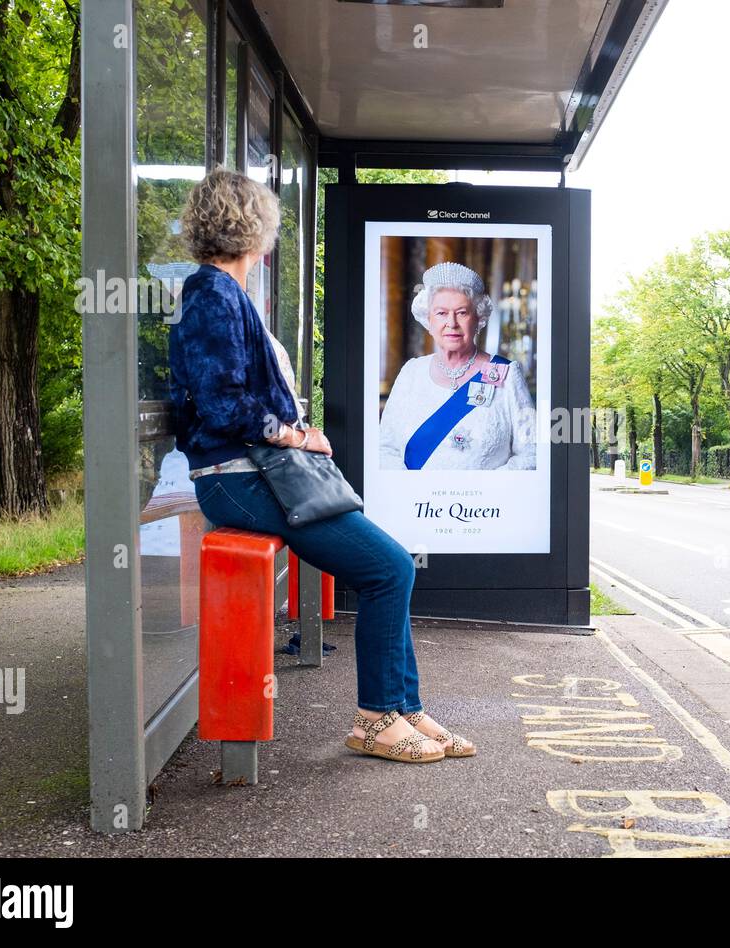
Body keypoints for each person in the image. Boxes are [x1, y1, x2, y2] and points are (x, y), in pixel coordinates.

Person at [168, 169, 474, 763]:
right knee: (388, 568)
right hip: (239, 479)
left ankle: (403, 708)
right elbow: (222, 402)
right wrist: (298, 435)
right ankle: (377, 718)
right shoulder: (211, 294)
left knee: (390, 567)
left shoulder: (222, 293)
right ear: (255, 230)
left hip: (253, 475)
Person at [378, 261, 536, 471]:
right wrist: (411, 491)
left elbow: (533, 452)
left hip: (486, 503)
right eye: (441, 313)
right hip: (419, 503)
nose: (451, 323)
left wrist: (486, 490)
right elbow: (385, 449)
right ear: (429, 320)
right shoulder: (411, 372)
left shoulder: (505, 374)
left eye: (462, 312)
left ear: (478, 319)